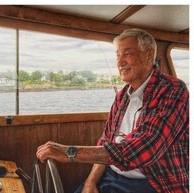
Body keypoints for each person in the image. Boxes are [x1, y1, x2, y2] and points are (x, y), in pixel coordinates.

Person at [36, 28, 189, 193]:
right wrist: (90, 182)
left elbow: (144, 149)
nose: (120, 62)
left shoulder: (172, 90)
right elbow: (106, 141)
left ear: (148, 54)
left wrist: (70, 153)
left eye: (127, 54)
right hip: (112, 175)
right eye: (118, 55)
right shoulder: (122, 96)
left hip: (155, 182)